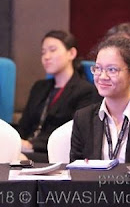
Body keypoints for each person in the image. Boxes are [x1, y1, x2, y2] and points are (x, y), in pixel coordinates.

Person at [17, 30, 99, 163]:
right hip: (26, 149)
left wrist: (31, 145)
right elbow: (24, 125)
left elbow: (73, 135)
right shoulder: (39, 87)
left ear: (71, 53)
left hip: (56, 154)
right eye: (43, 52)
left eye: (52, 50)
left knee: (16, 159)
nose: (46, 57)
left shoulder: (85, 91)